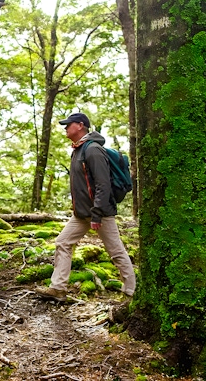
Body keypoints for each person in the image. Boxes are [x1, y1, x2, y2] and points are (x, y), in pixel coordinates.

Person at [35, 113, 136, 302]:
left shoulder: (93, 150)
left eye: (68, 124)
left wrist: (97, 213)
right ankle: (58, 288)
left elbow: (103, 184)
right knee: (62, 242)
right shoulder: (78, 150)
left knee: (116, 251)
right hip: (81, 214)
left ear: (81, 125)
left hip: (100, 213)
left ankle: (132, 291)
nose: (65, 128)